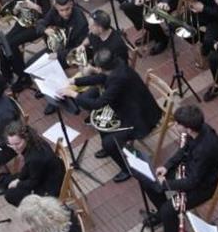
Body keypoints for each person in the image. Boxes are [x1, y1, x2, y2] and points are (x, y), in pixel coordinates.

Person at [139, 104, 218, 232]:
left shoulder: (206, 149)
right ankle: (165, 218)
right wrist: (167, 166)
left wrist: (167, 184)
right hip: (190, 172)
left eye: (178, 124)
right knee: (150, 182)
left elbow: (193, 182)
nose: (175, 126)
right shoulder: (198, 130)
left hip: (204, 187)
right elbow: (184, 150)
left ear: (188, 128)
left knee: (168, 209)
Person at [61, 47, 162, 183]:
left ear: (102, 67)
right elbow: (102, 77)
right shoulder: (117, 65)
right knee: (99, 119)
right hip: (128, 108)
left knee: (108, 142)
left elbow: (98, 103)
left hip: (139, 119)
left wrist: (74, 94)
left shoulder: (118, 79)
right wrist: (74, 82)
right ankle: (112, 149)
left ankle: (127, 169)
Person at [0, 0, 51, 88]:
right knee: (2, 42)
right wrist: (16, 8)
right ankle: (6, 74)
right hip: (24, 20)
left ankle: (23, 76)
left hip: (38, 24)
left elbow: (47, 13)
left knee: (11, 44)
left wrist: (34, 6)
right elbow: (17, 7)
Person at [1, 122, 63, 206]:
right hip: (45, 172)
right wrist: (19, 179)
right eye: (11, 145)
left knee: (10, 195)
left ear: (26, 138)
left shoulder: (34, 158)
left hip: (49, 187)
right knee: (7, 181)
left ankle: (33, 209)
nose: (15, 148)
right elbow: (28, 167)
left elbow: (34, 182)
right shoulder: (35, 141)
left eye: (17, 144)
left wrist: (18, 183)